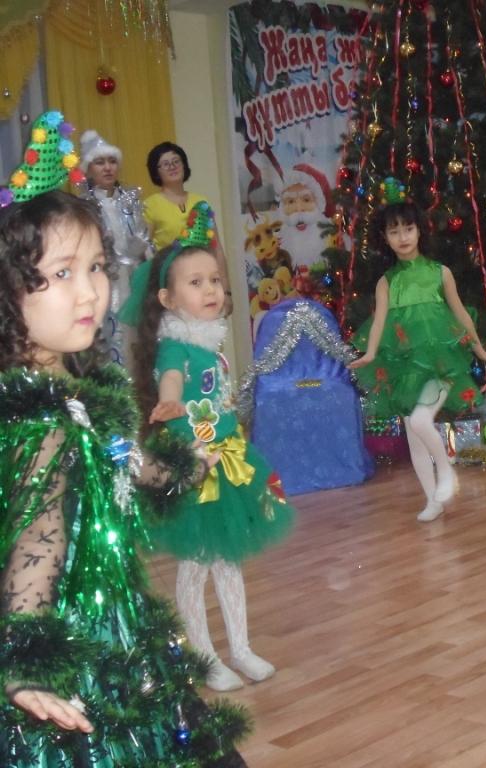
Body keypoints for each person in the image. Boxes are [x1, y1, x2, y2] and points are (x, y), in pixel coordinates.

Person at [0, 111, 248, 766]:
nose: (90, 292)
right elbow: (37, 543)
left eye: (96, 266)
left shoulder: (85, 393)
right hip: (80, 656)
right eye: (60, 274)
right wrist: (27, 661)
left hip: (123, 629)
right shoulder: (38, 421)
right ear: (10, 289)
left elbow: (130, 465)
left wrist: (182, 466)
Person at [120, 201, 294, 691]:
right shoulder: (175, 347)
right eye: (195, 282)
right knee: (195, 564)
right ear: (168, 299)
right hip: (192, 466)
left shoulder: (211, 343)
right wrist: (169, 401)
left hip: (226, 459)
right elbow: (172, 380)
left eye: (214, 279)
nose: (211, 289)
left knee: (229, 560)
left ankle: (241, 648)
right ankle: (203, 657)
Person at [349, 179, 486, 522]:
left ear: (420, 230)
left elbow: (461, 314)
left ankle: (447, 470)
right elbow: (378, 322)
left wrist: (479, 350)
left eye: (408, 229)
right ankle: (433, 500)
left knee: (422, 420)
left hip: (441, 363)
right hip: (405, 368)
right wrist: (371, 352)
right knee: (414, 433)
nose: (403, 237)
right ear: (384, 238)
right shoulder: (387, 282)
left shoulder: (440, 273)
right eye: (394, 232)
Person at [76, 129, 152, 367]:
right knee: (110, 336)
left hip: (134, 280)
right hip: (104, 282)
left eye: (112, 161)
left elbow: (145, 240)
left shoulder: (131, 201)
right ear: (89, 169)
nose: (107, 168)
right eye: (100, 162)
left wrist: (142, 251)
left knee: (138, 337)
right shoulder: (82, 207)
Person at [143, 142, 234, 315]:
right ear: (156, 171)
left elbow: (217, 250)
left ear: (184, 164)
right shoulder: (150, 205)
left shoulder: (200, 202)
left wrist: (226, 291)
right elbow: (145, 254)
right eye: (165, 164)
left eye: (176, 161)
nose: (172, 167)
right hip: (173, 287)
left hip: (205, 285)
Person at [274, 163, 334, 270]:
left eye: (306, 200)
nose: (299, 208)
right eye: (291, 201)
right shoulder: (277, 244)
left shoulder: (331, 236)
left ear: (318, 201)